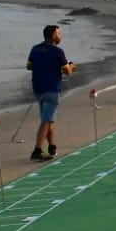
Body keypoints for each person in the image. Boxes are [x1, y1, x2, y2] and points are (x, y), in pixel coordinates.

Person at [25, 24, 74, 162]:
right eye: (58, 33)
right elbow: (67, 71)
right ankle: (37, 150)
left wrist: (43, 65)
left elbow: (29, 66)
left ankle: (52, 146)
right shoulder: (58, 52)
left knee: (47, 119)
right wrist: (72, 66)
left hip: (38, 88)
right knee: (47, 120)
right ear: (53, 35)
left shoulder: (35, 49)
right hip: (52, 88)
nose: (60, 36)